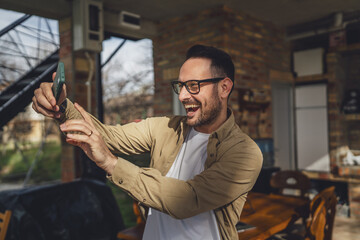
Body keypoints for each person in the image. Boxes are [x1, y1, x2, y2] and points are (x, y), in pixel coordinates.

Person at [32, 44, 263, 240]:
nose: (182, 96)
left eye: (193, 85)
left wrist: (112, 164)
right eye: (180, 86)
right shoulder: (164, 127)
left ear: (224, 87)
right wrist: (61, 106)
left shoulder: (245, 153)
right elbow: (108, 136)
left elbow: (187, 199)